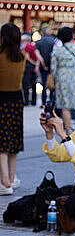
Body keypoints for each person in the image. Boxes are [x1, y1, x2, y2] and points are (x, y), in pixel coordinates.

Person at [0, 23, 26, 195]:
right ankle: (11, 177)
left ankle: (4, 183)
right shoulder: (22, 56)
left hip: (1, 99)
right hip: (17, 99)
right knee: (13, 142)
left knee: (1, 142)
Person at [51, 27, 75, 133]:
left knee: (65, 107)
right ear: (72, 35)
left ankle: (68, 132)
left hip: (62, 79)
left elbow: (53, 68)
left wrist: (55, 78)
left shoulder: (57, 51)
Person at [35, 27, 55, 107]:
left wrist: (43, 63)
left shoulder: (38, 42)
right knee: (51, 85)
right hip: (52, 65)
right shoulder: (53, 41)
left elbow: (37, 54)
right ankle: (51, 102)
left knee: (43, 84)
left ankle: (43, 103)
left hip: (43, 66)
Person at [21, 33, 39, 106]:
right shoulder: (33, 46)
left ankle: (26, 101)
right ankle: (34, 101)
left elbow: (27, 57)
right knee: (33, 84)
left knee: (26, 85)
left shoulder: (26, 47)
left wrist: (33, 63)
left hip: (28, 67)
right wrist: (36, 65)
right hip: (33, 67)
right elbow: (38, 57)